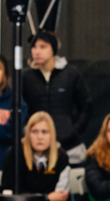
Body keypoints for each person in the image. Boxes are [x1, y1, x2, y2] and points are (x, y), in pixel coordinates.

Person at [23, 30, 92, 165]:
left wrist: (74, 130)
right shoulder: (26, 77)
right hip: (37, 150)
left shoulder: (70, 74)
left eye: (43, 47)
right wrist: (26, 131)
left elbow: (86, 105)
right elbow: (19, 108)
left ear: (53, 49)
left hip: (69, 147)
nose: (37, 51)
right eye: (34, 47)